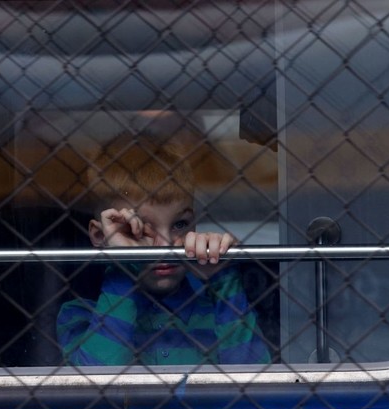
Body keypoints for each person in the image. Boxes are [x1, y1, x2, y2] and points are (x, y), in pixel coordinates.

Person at [56, 132, 270, 366]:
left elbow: (256, 380)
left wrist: (223, 278)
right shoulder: (80, 315)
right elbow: (97, 380)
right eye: (141, 228)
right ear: (101, 235)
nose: (166, 245)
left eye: (180, 224)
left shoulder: (217, 309)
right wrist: (125, 263)